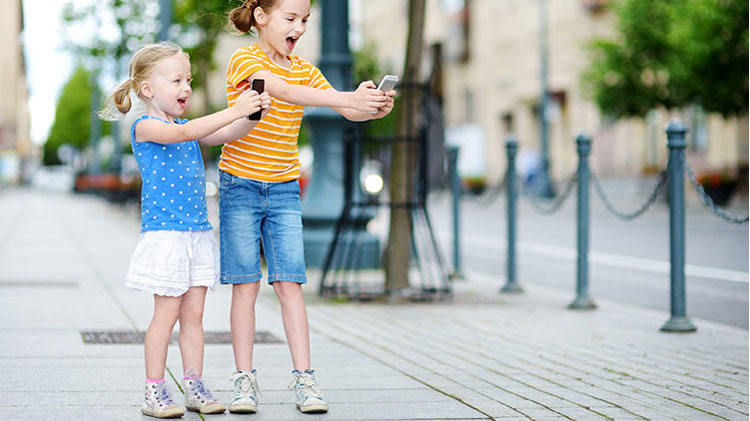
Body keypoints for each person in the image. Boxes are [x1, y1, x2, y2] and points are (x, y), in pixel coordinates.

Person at [220, 0, 396, 415]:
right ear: (261, 17)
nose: (299, 26)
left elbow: (341, 109)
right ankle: (244, 380)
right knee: (245, 285)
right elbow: (279, 90)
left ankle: (305, 378)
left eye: (305, 20)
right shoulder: (243, 60)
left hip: (283, 190)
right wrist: (343, 96)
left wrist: (368, 107)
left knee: (289, 284)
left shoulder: (305, 69)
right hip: (240, 187)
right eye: (290, 18)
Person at [101, 41, 271, 418]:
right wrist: (233, 109)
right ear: (148, 89)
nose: (186, 88)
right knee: (166, 316)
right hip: (167, 237)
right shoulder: (147, 127)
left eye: (188, 80)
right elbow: (186, 133)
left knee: (194, 316)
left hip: (196, 234)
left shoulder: (185, 127)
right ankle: (154, 390)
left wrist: (252, 113)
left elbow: (227, 133)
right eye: (176, 80)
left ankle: (194, 383)